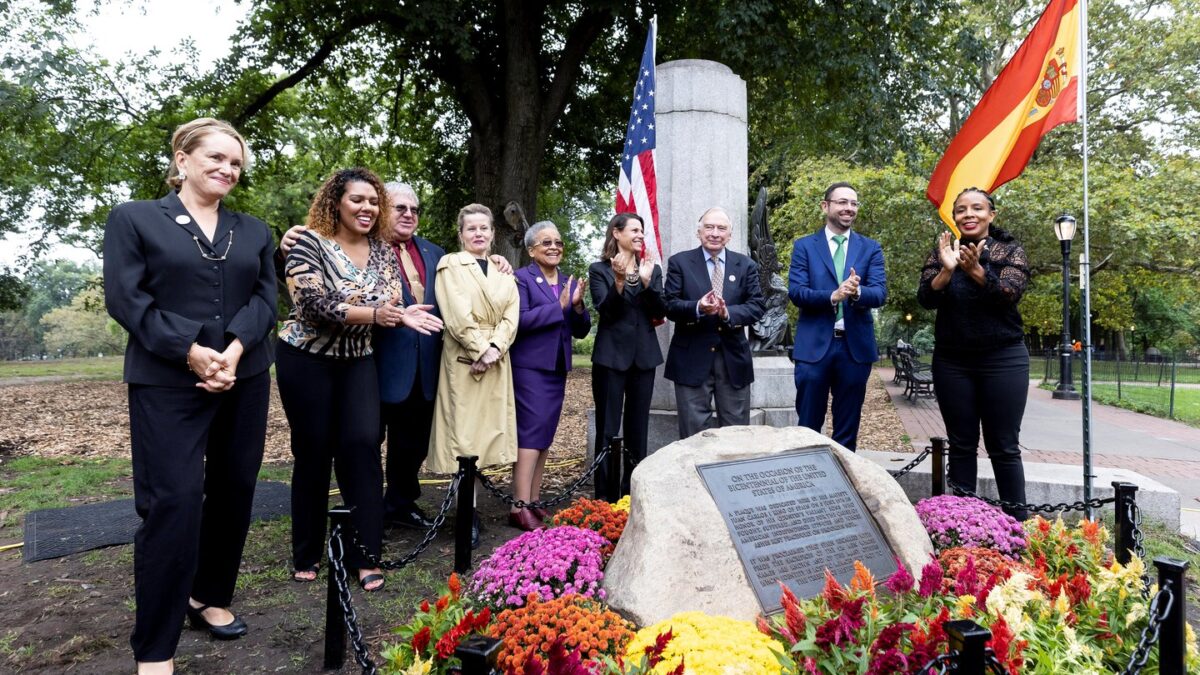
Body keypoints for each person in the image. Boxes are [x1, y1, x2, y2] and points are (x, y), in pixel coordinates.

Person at [103, 117, 276, 674]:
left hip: (243, 378)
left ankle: (208, 596)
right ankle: (155, 647)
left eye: (236, 163)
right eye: (217, 158)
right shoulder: (134, 219)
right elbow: (127, 299)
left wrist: (233, 350)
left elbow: (266, 300)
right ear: (182, 159)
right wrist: (191, 350)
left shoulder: (254, 230)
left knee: (233, 492)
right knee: (173, 502)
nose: (228, 169)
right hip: (168, 382)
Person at [277, 184, 512, 531]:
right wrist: (283, 249)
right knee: (363, 442)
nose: (408, 215)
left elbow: (467, 282)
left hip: (425, 365)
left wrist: (494, 261)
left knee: (411, 444)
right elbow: (310, 282)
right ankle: (358, 513)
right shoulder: (363, 246)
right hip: (372, 362)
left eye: (414, 209)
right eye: (399, 207)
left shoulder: (436, 253)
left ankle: (400, 503)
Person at [276, 168, 443, 592]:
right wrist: (375, 312)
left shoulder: (382, 250)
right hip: (306, 359)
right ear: (336, 202)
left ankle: (366, 555)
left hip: (357, 360)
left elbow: (388, 297)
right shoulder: (307, 243)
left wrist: (365, 307)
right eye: (357, 200)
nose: (367, 208)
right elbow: (312, 304)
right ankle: (307, 551)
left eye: (373, 202)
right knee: (313, 453)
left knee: (362, 448)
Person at [917, 187, 1030, 520]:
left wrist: (977, 270)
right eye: (962, 209)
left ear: (991, 215)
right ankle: (964, 527)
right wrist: (947, 270)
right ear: (955, 217)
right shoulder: (943, 251)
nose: (969, 215)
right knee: (962, 444)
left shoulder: (1010, 250)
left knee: (1003, 446)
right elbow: (925, 298)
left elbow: (1009, 294)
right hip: (953, 361)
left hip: (1003, 358)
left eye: (977, 208)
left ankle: (1016, 528)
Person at [426, 204, 520, 547]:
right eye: (471, 229)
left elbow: (512, 314)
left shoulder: (503, 272)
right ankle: (466, 512)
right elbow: (456, 314)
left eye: (484, 228)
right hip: (465, 359)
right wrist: (481, 350)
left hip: (496, 360)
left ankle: (474, 504)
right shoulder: (451, 265)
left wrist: (495, 350)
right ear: (461, 234)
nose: (478, 234)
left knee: (484, 438)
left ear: (493, 233)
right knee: (463, 439)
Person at [787, 182, 887, 451]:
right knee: (808, 425)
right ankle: (807, 480)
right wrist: (834, 295)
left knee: (847, 426)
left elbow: (879, 293)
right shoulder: (805, 247)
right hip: (813, 348)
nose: (849, 208)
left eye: (854, 203)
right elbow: (797, 292)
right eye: (842, 202)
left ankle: (843, 484)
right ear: (825, 206)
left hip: (855, 349)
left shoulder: (871, 248)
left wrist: (856, 293)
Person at [509, 221, 591, 530]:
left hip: (557, 367)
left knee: (544, 436)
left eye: (558, 241)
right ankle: (519, 506)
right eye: (546, 242)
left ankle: (533, 501)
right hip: (530, 368)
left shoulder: (567, 280)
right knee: (530, 435)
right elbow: (519, 321)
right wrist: (558, 306)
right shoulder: (522, 279)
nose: (554, 246)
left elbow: (581, 330)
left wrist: (578, 305)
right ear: (531, 250)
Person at [664, 207, 766, 439]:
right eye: (709, 227)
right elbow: (669, 305)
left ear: (730, 235)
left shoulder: (746, 265)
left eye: (721, 228)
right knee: (693, 436)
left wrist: (727, 312)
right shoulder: (680, 262)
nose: (715, 233)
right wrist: (698, 307)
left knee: (736, 435)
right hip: (691, 359)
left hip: (733, 360)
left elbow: (757, 306)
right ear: (698, 232)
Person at [589, 213, 666, 499]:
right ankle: (605, 498)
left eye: (642, 231)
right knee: (607, 427)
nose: (640, 235)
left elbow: (660, 311)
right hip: (610, 359)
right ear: (617, 233)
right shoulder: (599, 270)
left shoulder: (651, 269)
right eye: (634, 229)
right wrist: (619, 282)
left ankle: (631, 495)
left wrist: (646, 285)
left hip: (644, 359)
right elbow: (606, 311)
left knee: (638, 428)